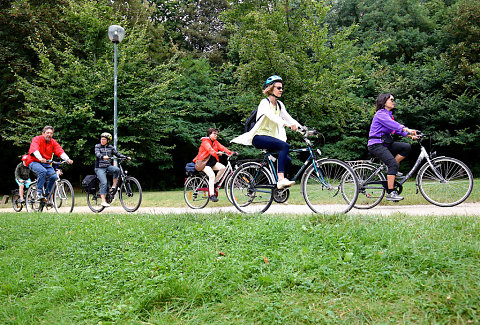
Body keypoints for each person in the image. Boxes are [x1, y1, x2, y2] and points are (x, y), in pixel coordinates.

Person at [231, 75, 302, 189]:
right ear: (270, 88)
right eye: (278, 88)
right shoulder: (264, 103)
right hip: (258, 137)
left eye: (282, 88)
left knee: (287, 159)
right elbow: (272, 116)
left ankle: (279, 190)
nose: (281, 90)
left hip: (270, 138)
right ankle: (280, 179)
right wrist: (286, 124)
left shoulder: (279, 104)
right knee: (285, 146)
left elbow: (289, 118)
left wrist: (303, 129)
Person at [367, 93, 417, 201]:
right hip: (376, 144)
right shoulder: (380, 114)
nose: (393, 102)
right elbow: (393, 125)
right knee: (393, 164)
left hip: (385, 143)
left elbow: (394, 129)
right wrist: (407, 129)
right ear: (384, 102)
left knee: (406, 147)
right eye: (391, 100)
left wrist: (409, 135)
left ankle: (391, 168)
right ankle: (390, 192)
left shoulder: (389, 114)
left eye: (394, 100)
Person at [27, 125, 73, 201]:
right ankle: (39, 193)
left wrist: (68, 159)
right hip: (33, 161)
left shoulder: (53, 142)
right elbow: (34, 149)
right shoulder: (37, 139)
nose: (49, 135)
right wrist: (40, 158)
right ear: (43, 133)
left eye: (51, 133)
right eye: (47, 133)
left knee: (54, 176)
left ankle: (47, 196)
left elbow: (59, 151)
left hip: (45, 163)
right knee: (43, 171)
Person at [193, 128, 234, 202]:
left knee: (223, 168)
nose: (216, 135)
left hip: (211, 162)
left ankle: (214, 183)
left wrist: (230, 153)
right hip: (203, 163)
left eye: (217, 134)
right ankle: (211, 195)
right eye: (214, 134)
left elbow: (222, 147)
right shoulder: (205, 141)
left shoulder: (215, 142)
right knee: (211, 175)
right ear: (209, 134)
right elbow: (209, 150)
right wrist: (217, 153)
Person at [94, 132, 130, 207]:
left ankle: (114, 186)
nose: (102, 140)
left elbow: (117, 154)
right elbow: (97, 154)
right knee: (104, 182)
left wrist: (125, 157)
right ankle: (103, 201)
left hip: (107, 166)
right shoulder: (97, 146)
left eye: (104, 139)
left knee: (117, 170)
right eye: (101, 139)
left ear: (108, 141)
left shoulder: (110, 147)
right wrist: (103, 156)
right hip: (99, 168)